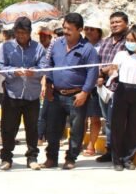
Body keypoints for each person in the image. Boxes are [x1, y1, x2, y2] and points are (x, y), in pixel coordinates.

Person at [43, 13, 100, 170]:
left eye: (69, 29)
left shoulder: (88, 49)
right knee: (52, 128)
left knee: (76, 129)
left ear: (80, 30)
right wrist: (48, 85)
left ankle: (71, 158)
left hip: (77, 96)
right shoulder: (56, 44)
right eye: (64, 27)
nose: (65, 31)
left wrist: (85, 92)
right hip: (56, 94)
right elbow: (49, 65)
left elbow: (92, 72)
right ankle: (51, 158)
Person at [0, 17, 48, 170]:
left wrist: (35, 72)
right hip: (12, 93)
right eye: (18, 33)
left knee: (32, 127)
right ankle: (6, 158)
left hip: (32, 94)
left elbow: (44, 66)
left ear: (30, 33)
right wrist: (13, 71)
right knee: (8, 128)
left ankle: (32, 157)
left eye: (24, 33)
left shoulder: (38, 48)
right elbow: (0, 66)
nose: (21, 36)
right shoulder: (6, 47)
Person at [110, 25, 136, 171]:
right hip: (122, 90)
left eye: (132, 40)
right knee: (118, 126)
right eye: (127, 39)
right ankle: (117, 159)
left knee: (134, 127)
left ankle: (128, 158)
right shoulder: (121, 55)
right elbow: (113, 71)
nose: (128, 42)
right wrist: (111, 70)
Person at [96, 11, 130, 163]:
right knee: (108, 120)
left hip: (119, 88)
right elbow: (98, 62)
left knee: (117, 121)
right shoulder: (105, 42)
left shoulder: (128, 42)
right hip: (103, 87)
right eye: (112, 22)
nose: (115, 25)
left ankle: (119, 152)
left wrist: (105, 70)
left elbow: (120, 66)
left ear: (126, 23)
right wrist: (99, 74)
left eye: (118, 22)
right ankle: (110, 151)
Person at [82, 17, 106, 156]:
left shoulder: (104, 46)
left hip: (96, 86)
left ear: (98, 31)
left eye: (92, 29)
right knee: (80, 118)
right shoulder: (81, 45)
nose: (89, 31)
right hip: (81, 84)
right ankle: (78, 143)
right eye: (87, 29)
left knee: (95, 118)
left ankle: (91, 145)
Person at [37, 26, 54, 145]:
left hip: (48, 83)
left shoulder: (52, 50)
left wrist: (45, 84)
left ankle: (42, 136)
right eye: (40, 36)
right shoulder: (39, 49)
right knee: (41, 112)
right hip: (38, 84)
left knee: (45, 112)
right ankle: (39, 136)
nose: (42, 38)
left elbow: (47, 69)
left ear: (50, 37)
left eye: (44, 36)